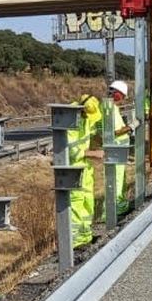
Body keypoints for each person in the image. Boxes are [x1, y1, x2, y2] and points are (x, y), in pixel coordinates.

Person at [66, 92, 103, 247]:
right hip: (73, 171)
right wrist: (94, 153)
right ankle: (75, 243)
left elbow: (90, 137)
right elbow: (73, 152)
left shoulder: (85, 118)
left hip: (85, 169)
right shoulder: (70, 123)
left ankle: (86, 237)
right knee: (76, 206)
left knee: (88, 203)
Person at [105, 80, 137, 216]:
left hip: (119, 150)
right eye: (123, 96)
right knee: (116, 179)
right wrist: (131, 127)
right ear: (118, 95)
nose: (123, 100)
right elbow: (116, 131)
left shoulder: (112, 108)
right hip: (115, 150)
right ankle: (115, 208)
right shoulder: (110, 109)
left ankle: (120, 204)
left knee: (121, 178)